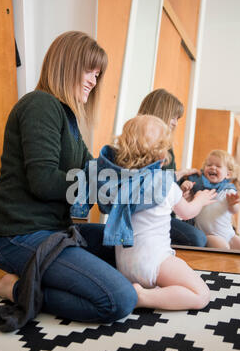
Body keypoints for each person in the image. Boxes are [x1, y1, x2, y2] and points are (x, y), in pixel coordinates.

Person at [0, 31, 138, 331]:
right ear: (67, 63)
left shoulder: (69, 121)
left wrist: (129, 172)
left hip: (54, 232)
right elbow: (43, 181)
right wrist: (97, 182)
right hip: (18, 235)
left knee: (129, 248)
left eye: (98, 74)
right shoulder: (40, 105)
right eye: (89, 71)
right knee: (120, 299)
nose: (94, 81)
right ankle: (14, 289)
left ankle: (36, 279)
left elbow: (92, 170)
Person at [72, 115, 216, 311]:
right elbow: (188, 212)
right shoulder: (165, 183)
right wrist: (200, 200)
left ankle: (144, 290)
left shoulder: (118, 181)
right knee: (201, 294)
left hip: (125, 266)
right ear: (162, 155)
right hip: (156, 262)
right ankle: (144, 297)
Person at [138, 89, 207, 247]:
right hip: (148, 217)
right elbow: (152, 182)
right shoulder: (141, 145)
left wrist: (181, 188)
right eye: (173, 117)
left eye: (177, 118)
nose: (175, 123)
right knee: (197, 238)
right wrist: (199, 200)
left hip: (165, 213)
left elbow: (166, 183)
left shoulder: (166, 148)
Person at [180, 149, 240, 251]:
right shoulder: (197, 187)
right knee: (223, 247)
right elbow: (186, 203)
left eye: (218, 166)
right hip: (209, 234)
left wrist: (233, 204)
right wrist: (185, 187)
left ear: (228, 174)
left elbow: (235, 210)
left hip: (229, 234)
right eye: (209, 165)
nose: (212, 167)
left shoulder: (228, 189)